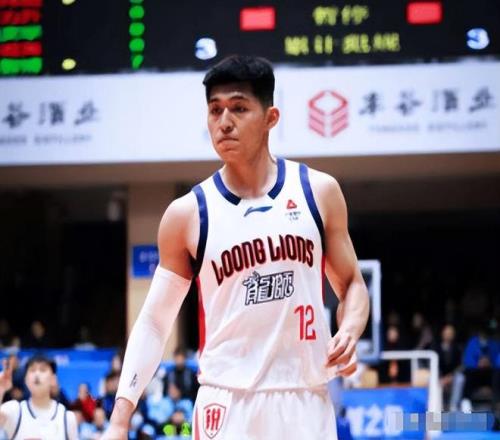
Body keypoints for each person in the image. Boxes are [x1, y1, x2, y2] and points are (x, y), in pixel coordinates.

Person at [103, 55, 370, 439]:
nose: (224, 121)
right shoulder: (187, 214)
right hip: (225, 400)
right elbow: (154, 322)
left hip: (305, 396)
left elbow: (353, 285)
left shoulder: (318, 191)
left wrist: (350, 329)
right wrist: (119, 418)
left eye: (239, 108)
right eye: (215, 110)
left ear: (271, 118)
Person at [0, 354, 78, 439]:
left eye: (42, 370)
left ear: (53, 379)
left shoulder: (67, 417)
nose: (37, 374)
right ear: (25, 379)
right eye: (32, 370)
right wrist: (1, 388)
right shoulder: (15, 410)